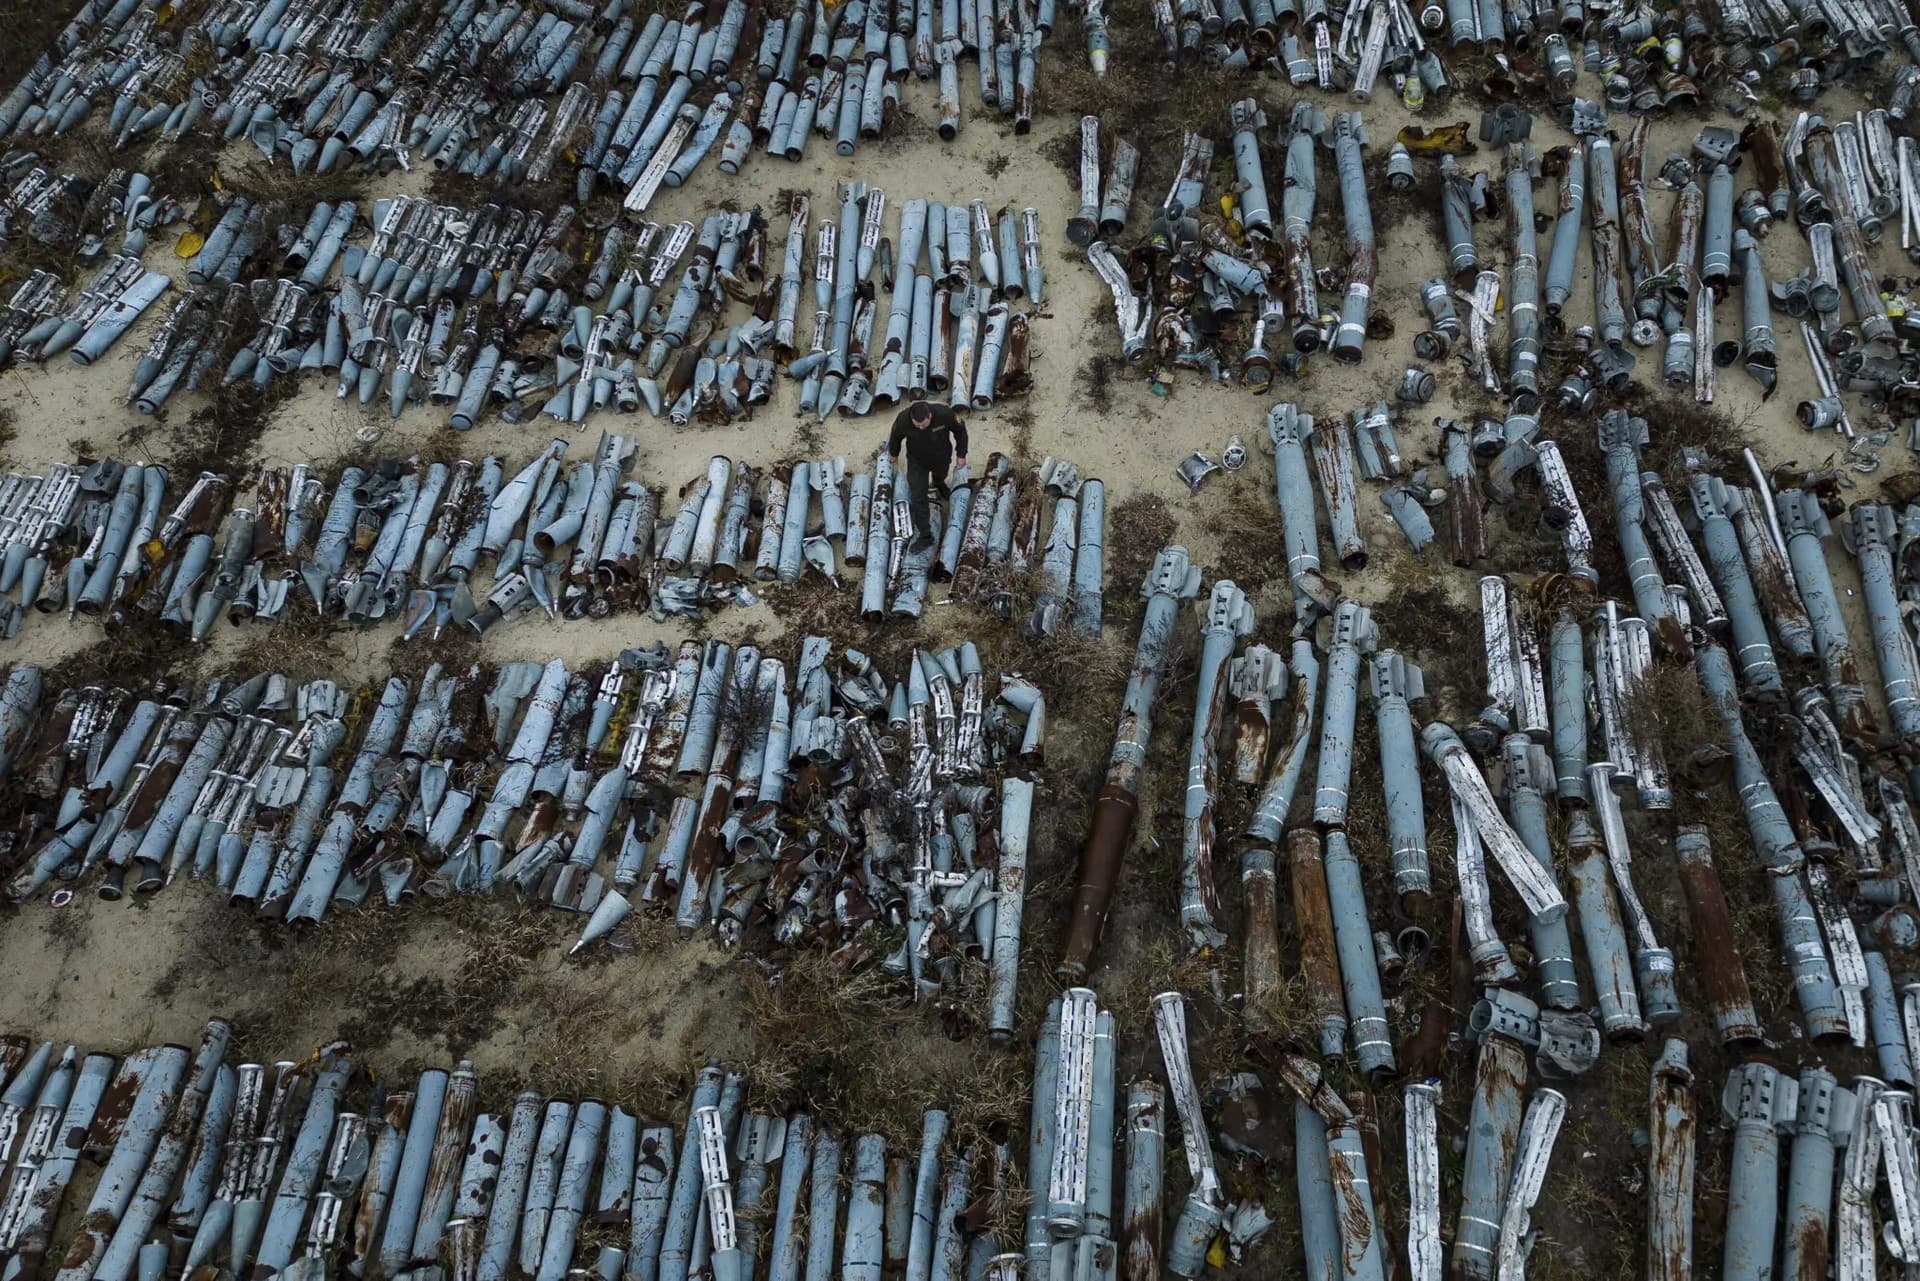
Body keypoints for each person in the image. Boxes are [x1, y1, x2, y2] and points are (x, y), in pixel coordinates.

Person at [886, 399, 969, 552]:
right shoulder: (903, 419)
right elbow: (895, 436)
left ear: (930, 415)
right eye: (917, 426)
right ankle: (925, 535)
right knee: (918, 495)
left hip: (941, 456)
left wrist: (961, 454)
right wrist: (893, 453)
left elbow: (960, 431)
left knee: (941, 474)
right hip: (917, 461)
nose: (921, 428)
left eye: (924, 425)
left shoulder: (944, 414)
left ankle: (938, 483)